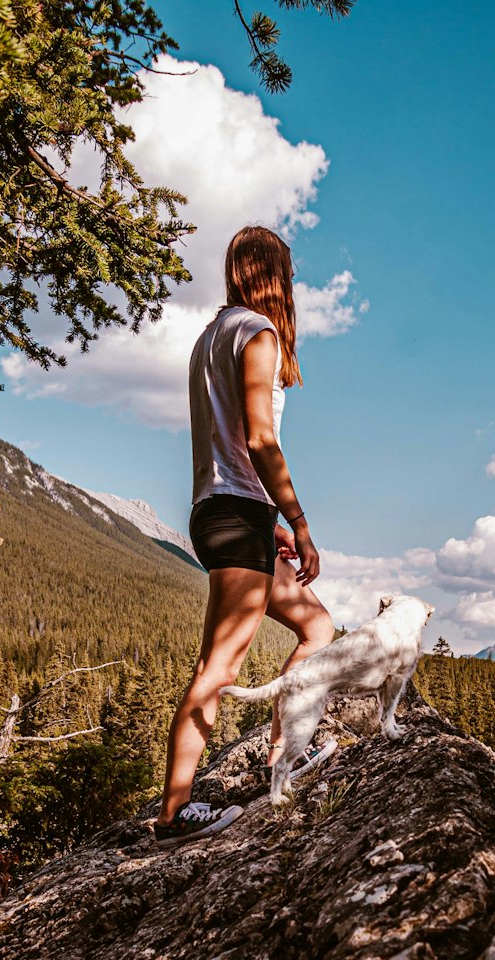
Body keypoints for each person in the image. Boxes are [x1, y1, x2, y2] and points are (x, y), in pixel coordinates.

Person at [153, 225, 336, 848]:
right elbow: (259, 440)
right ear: (272, 273)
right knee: (218, 667)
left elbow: (229, 444)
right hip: (235, 516)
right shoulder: (256, 332)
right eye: (287, 271)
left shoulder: (209, 338)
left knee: (317, 628)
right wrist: (302, 523)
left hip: (229, 511)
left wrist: (272, 521)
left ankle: (284, 753)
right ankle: (175, 814)